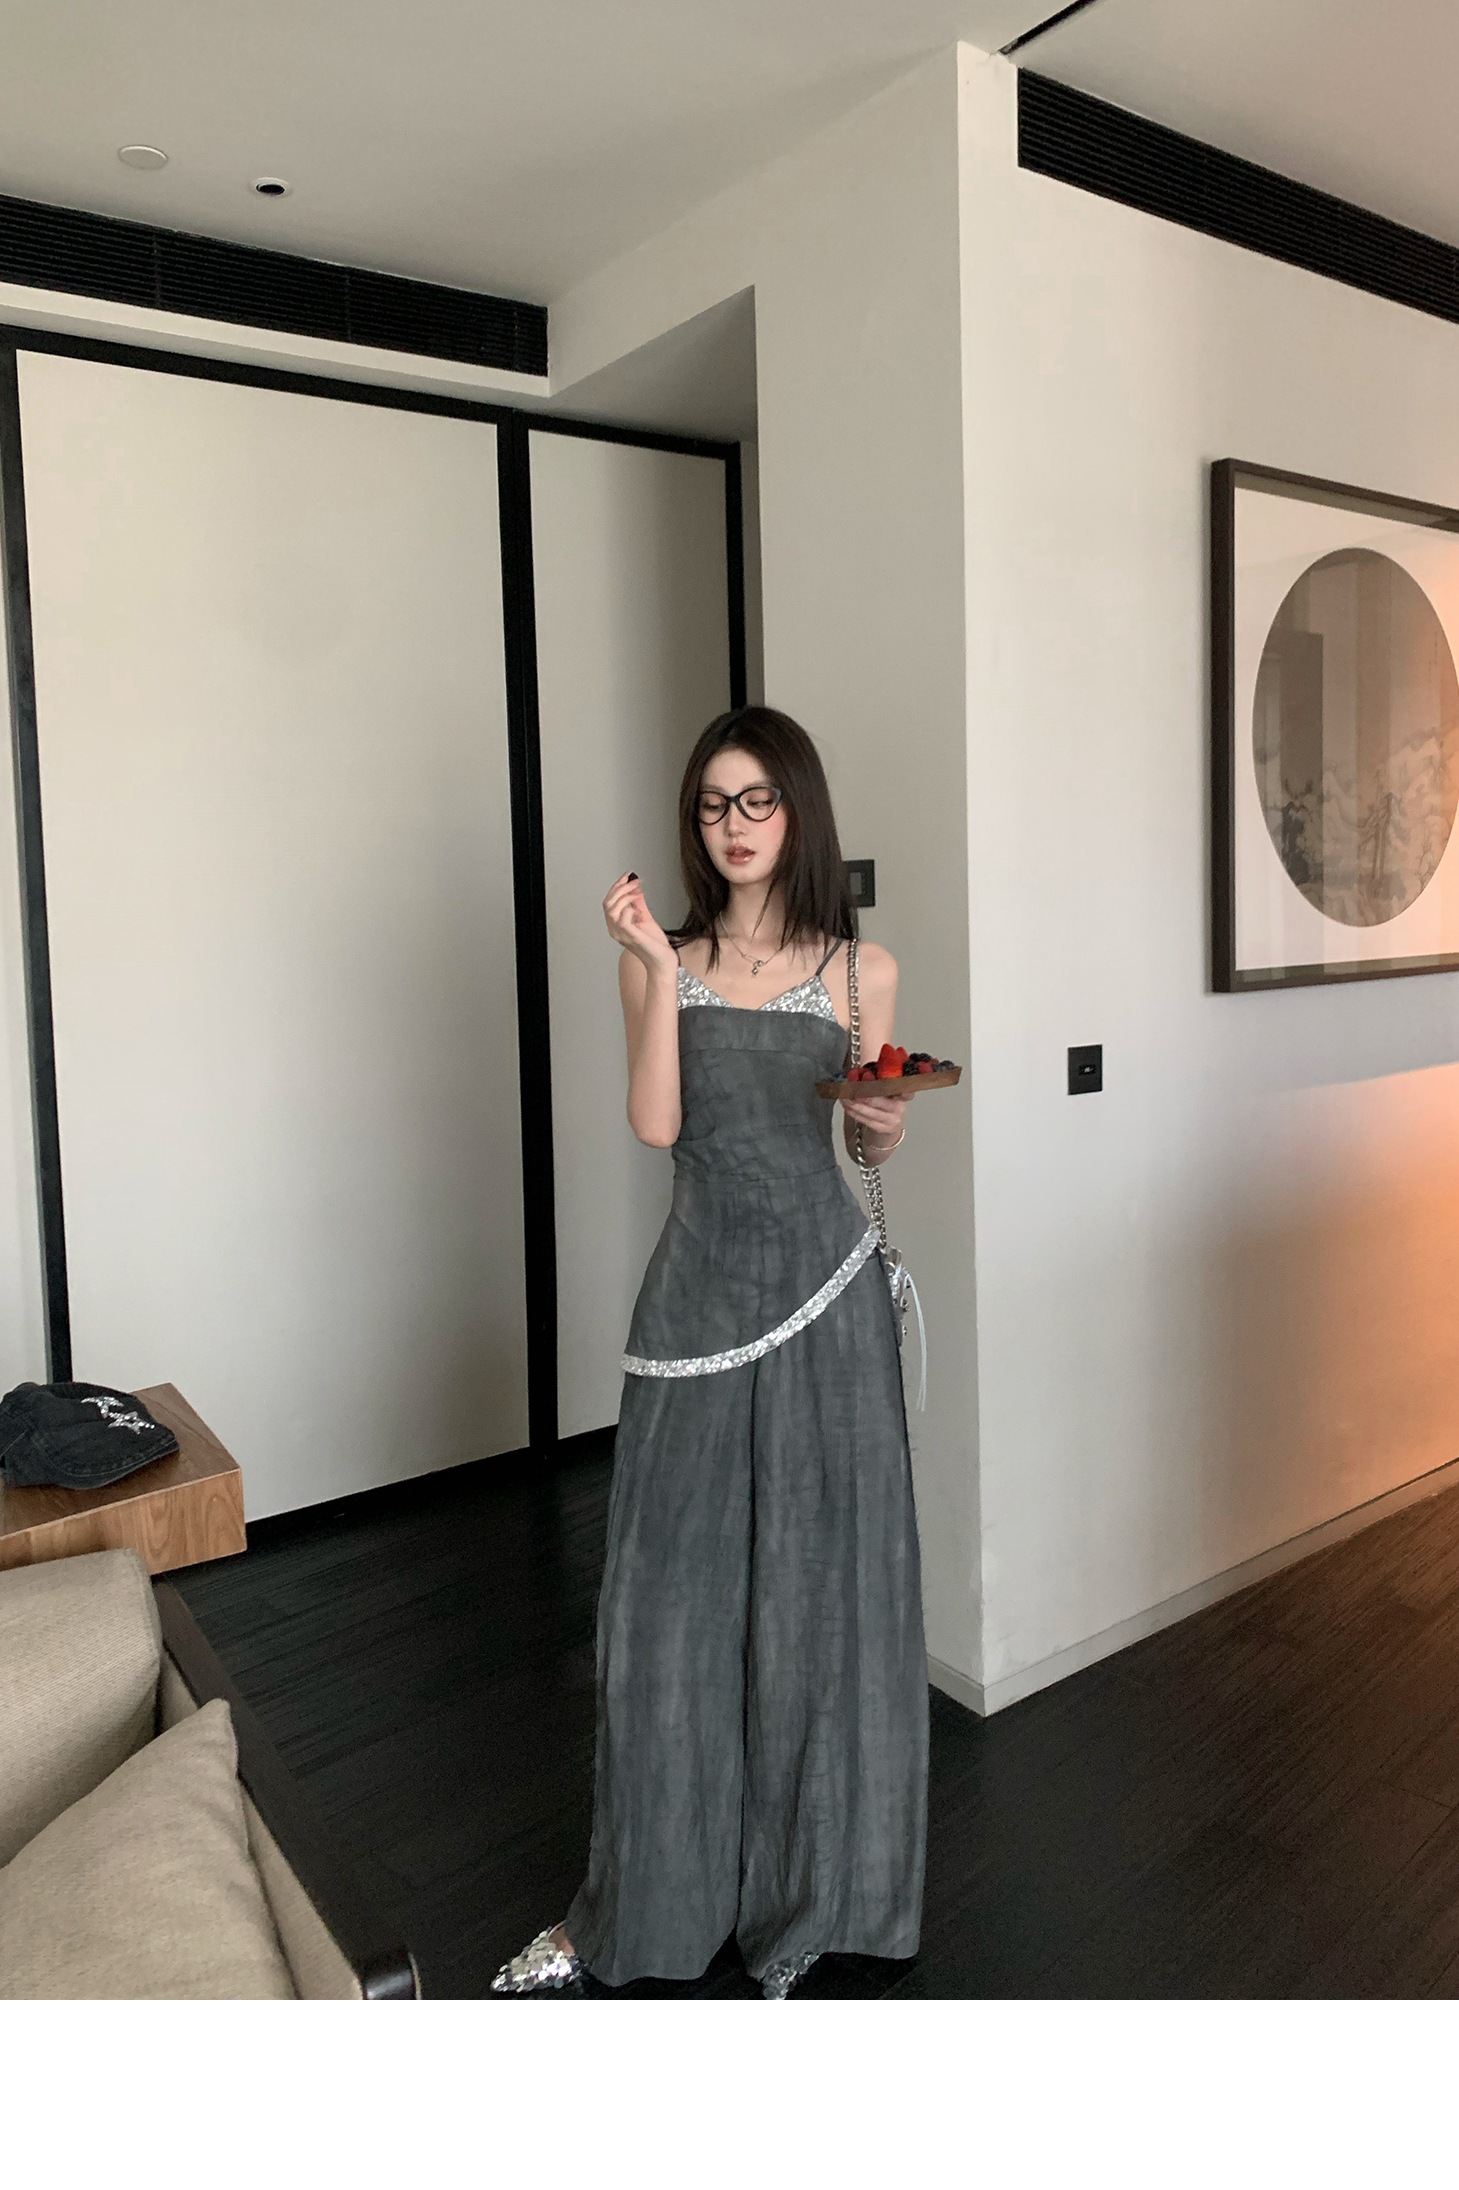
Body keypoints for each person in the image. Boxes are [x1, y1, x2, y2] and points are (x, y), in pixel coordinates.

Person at [492, 704, 928, 1999]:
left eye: (756, 800)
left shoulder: (862, 969)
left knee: (817, 1606)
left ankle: (810, 1903)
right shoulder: (660, 955)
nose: (732, 825)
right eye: (711, 804)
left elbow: (867, 1139)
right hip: (694, 1302)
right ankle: (644, 1907)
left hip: (826, 1299)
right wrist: (646, 960)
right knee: (664, 1616)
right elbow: (656, 1123)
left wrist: (886, 1119)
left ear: (797, 809)